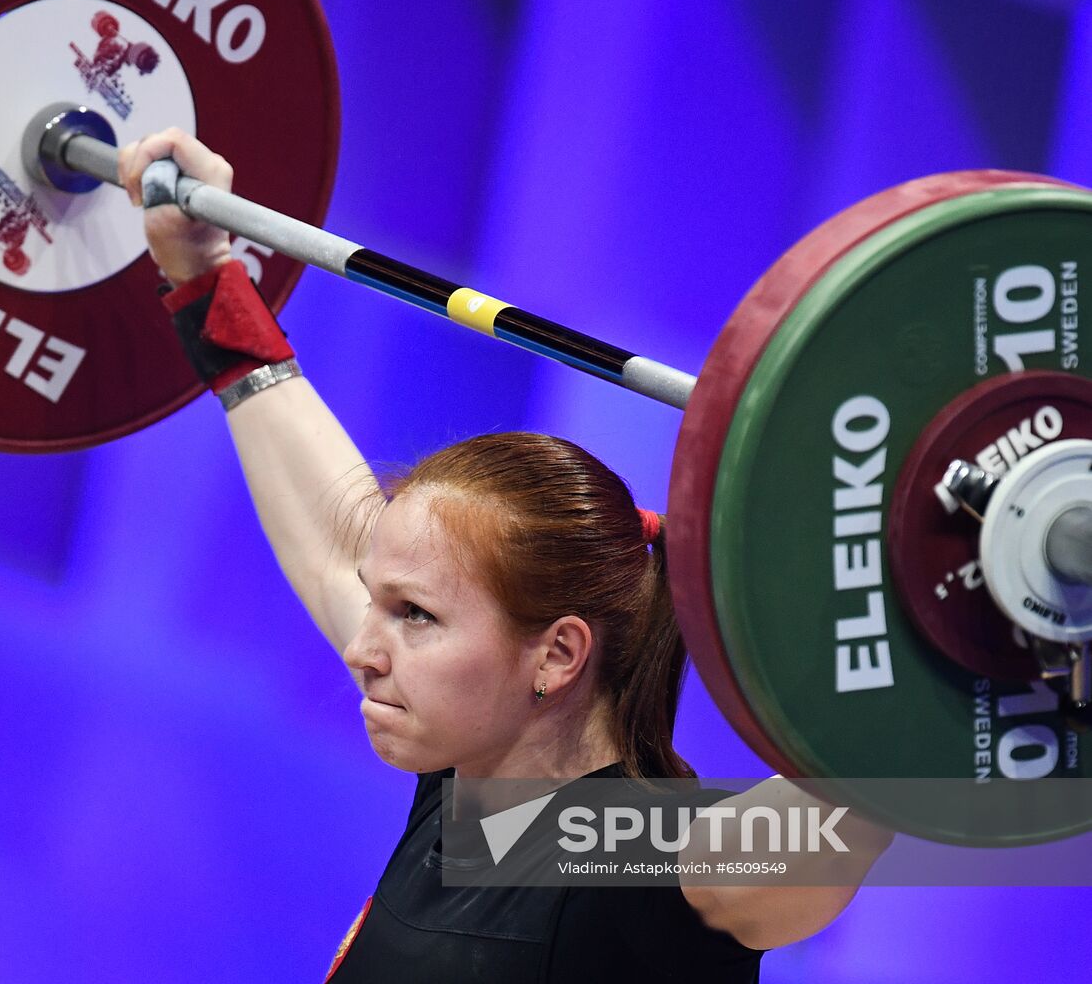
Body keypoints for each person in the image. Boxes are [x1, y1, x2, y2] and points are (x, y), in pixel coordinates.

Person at [118, 130, 894, 982]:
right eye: (383, 605)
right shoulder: (467, 773)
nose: (361, 649)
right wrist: (206, 279)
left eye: (415, 616)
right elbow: (333, 539)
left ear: (557, 655)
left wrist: (951, 621)